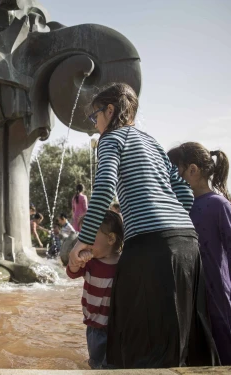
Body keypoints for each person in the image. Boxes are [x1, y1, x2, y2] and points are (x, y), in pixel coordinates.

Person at [69, 83, 218, 368]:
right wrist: (174, 222)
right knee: (179, 336)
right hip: (186, 242)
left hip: (151, 245)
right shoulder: (152, 142)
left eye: (95, 116)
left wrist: (83, 240)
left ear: (110, 111)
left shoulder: (111, 139)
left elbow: (103, 189)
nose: (95, 123)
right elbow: (185, 193)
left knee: (134, 337)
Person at [168, 142, 231, 365]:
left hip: (217, 299)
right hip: (190, 300)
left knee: (223, 355)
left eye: (175, 171)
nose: (170, 179)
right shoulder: (179, 207)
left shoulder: (218, 205)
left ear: (192, 170)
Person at [67, 210, 123, 369]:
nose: (83, 242)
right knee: (97, 363)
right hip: (95, 327)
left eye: (89, 237)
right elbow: (71, 273)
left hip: (117, 327)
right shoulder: (90, 262)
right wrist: (76, 261)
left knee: (114, 365)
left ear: (111, 238)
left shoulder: (124, 263)